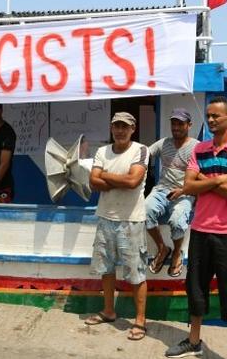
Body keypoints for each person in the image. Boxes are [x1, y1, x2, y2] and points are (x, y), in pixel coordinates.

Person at [166, 96, 227, 359]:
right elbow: (189, 186)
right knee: (195, 286)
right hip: (202, 229)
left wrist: (203, 180)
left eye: (217, 115)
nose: (211, 119)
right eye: (209, 115)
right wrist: (220, 178)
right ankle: (194, 341)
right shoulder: (200, 149)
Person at [84, 112, 150, 341]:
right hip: (105, 217)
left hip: (131, 220)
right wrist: (117, 179)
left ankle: (140, 321)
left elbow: (134, 182)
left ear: (133, 128)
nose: (120, 130)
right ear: (111, 128)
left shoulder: (141, 150)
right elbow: (93, 182)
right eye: (116, 126)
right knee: (106, 268)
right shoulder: (102, 151)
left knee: (136, 272)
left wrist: (106, 176)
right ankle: (109, 311)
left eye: (124, 126)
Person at [145, 107, 199, 278]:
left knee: (176, 221)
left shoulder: (196, 147)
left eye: (180, 124)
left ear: (189, 125)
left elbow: (203, 174)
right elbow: (144, 153)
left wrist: (187, 191)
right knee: (144, 212)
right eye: (173, 123)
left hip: (184, 193)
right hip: (162, 190)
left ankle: (177, 252)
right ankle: (162, 248)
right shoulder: (163, 143)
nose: (176, 127)